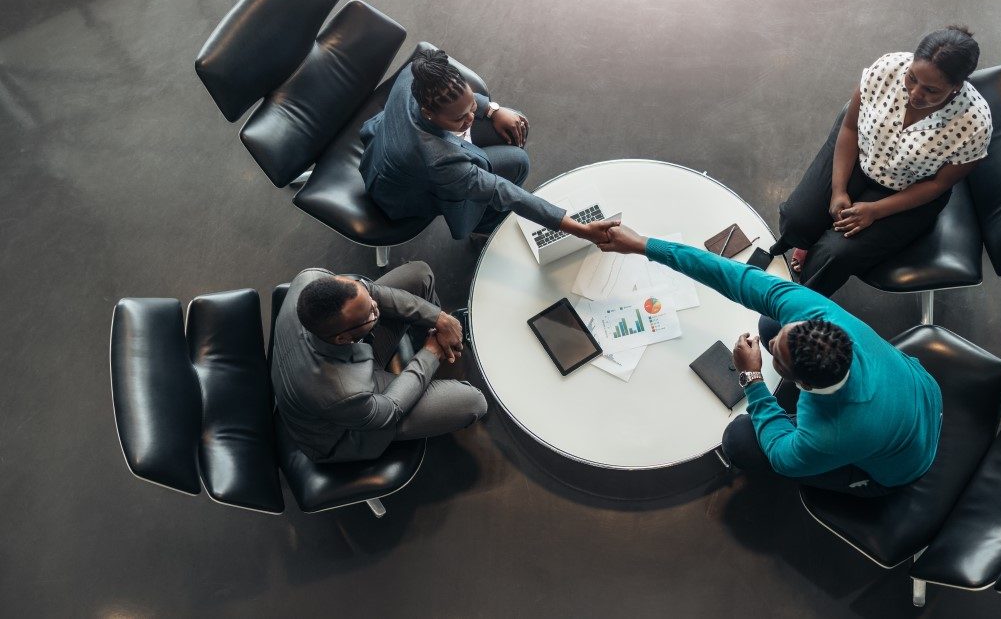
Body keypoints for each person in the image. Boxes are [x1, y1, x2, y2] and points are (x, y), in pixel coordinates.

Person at [598, 225, 942, 496]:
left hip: (900, 467)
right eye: (785, 337)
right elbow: (732, 276)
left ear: (803, 384)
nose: (772, 342)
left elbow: (781, 456)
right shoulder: (817, 313)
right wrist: (645, 245)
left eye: (774, 352)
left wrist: (753, 380)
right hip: (920, 391)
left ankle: (859, 483)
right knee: (768, 319)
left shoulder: (827, 433)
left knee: (742, 441)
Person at [769, 25, 993, 296]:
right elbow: (850, 127)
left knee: (834, 255)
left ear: (956, 87)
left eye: (931, 90)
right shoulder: (887, 68)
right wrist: (838, 189)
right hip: (861, 157)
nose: (915, 94)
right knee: (798, 219)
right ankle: (804, 240)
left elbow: (937, 185)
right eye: (912, 78)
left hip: (908, 189)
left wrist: (876, 211)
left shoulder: (974, 124)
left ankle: (800, 296)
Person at [359, 47, 615, 245]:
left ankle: (470, 118)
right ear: (428, 113)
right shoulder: (440, 161)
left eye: (470, 107)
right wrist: (578, 228)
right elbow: (503, 191)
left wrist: (492, 110)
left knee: (511, 120)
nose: (470, 118)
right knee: (517, 163)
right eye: (460, 118)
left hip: (391, 141)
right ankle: (485, 227)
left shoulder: (419, 75)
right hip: (408, 192)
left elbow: (462, 101)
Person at [271, 263, 487, 463]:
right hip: (348, 424)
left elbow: (373, 292)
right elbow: (391, 408)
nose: (376, 306)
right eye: (372, 312)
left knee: (419, 275)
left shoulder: (310, 278)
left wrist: (438, 318)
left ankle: (440, 336)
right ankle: (438, 347)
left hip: (345, 364)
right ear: (342, 338)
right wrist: (430, 352)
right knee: (474, 402)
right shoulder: (341, 392)